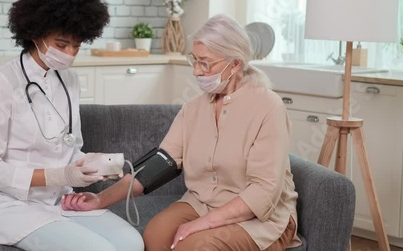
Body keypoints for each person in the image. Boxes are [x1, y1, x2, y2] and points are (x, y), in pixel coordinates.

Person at [62, 14, 302, 251]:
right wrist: (100, 199)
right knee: (155, 235)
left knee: (196, 245)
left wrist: (202, 225)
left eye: (205, 62)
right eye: (194, 60)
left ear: (235, 63)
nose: (196, 71)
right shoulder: (194, 110)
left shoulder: (267, 106)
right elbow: (157, 167)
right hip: (202, 202)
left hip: (259, 215)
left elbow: (264, 191)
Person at [0, 0, 144, 251]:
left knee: (132, 243)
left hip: (60, 201)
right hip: (14, 208)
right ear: (36, 33)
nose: (70, 53)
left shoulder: (68, 79)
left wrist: (91, 164)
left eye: (76, 46)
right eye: (61, 44)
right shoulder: (0, 82)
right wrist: (59, 176)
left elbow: (69, 147)